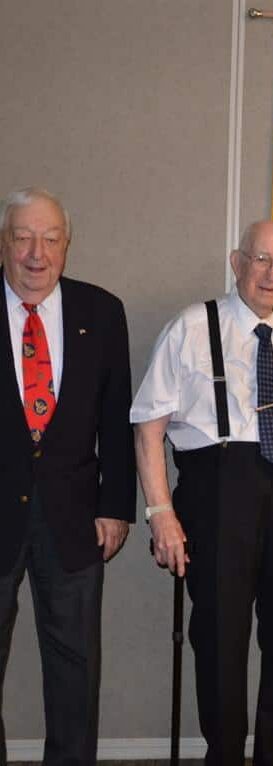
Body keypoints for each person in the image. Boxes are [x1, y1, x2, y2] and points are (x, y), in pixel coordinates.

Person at [131, 220, 273, 766]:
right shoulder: (190, 328)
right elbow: (148, 426)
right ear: (236, 260)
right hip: (217, 492)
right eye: (261, 259)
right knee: (220, 638)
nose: (271, 275)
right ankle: (223, 754)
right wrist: (160, 514)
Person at [0, 187, 135, 766]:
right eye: (24, 237)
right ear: (4, 243)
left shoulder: (101, 312)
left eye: (51, 239)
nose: (38, 253)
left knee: (75, 672)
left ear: (67, 245)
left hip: (75, 518)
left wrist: (116, 506)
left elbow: (116, 417)